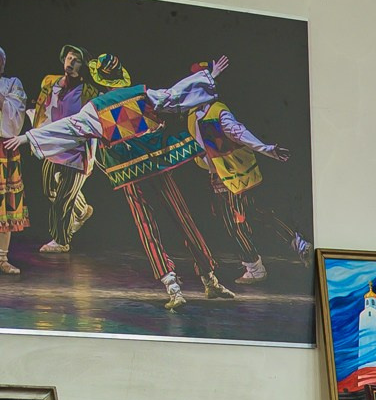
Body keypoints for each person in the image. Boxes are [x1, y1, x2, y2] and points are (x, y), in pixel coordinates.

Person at [4, 54, 233, 309]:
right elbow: (175, 95)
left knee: (147, 226)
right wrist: (208, 76)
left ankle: (173, 286)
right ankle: (209, 278)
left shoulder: (95, 108)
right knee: (182, 217)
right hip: (156, 163)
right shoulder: (140, 94)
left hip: (130, 173)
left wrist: (28, 138)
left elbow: (68, 127)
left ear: (100, 81)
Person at [187, 91, 310, 281]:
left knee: (235, 223)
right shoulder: (192, 116)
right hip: (223, 176)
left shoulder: (219, 112)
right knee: (256, 212)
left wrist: (267, 149)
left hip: (235, 177)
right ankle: (298, 243)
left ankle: (254, 267)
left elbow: (240, 133)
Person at [32, 44, 92, 254]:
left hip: (77, 151)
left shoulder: (89, 91)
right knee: (50, 190)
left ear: (83, 65)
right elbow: (42, 106)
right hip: (53, 146)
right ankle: (83, 210)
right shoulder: (50, 82)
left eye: (76, 59)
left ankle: (61, 240)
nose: (71, 62)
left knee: (63, 199)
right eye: (68, 57)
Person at [0, 51, 27, 274]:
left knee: (4, 203)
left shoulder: (11, 84)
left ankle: (2, 258)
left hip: (3, 149)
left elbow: (14, 117)